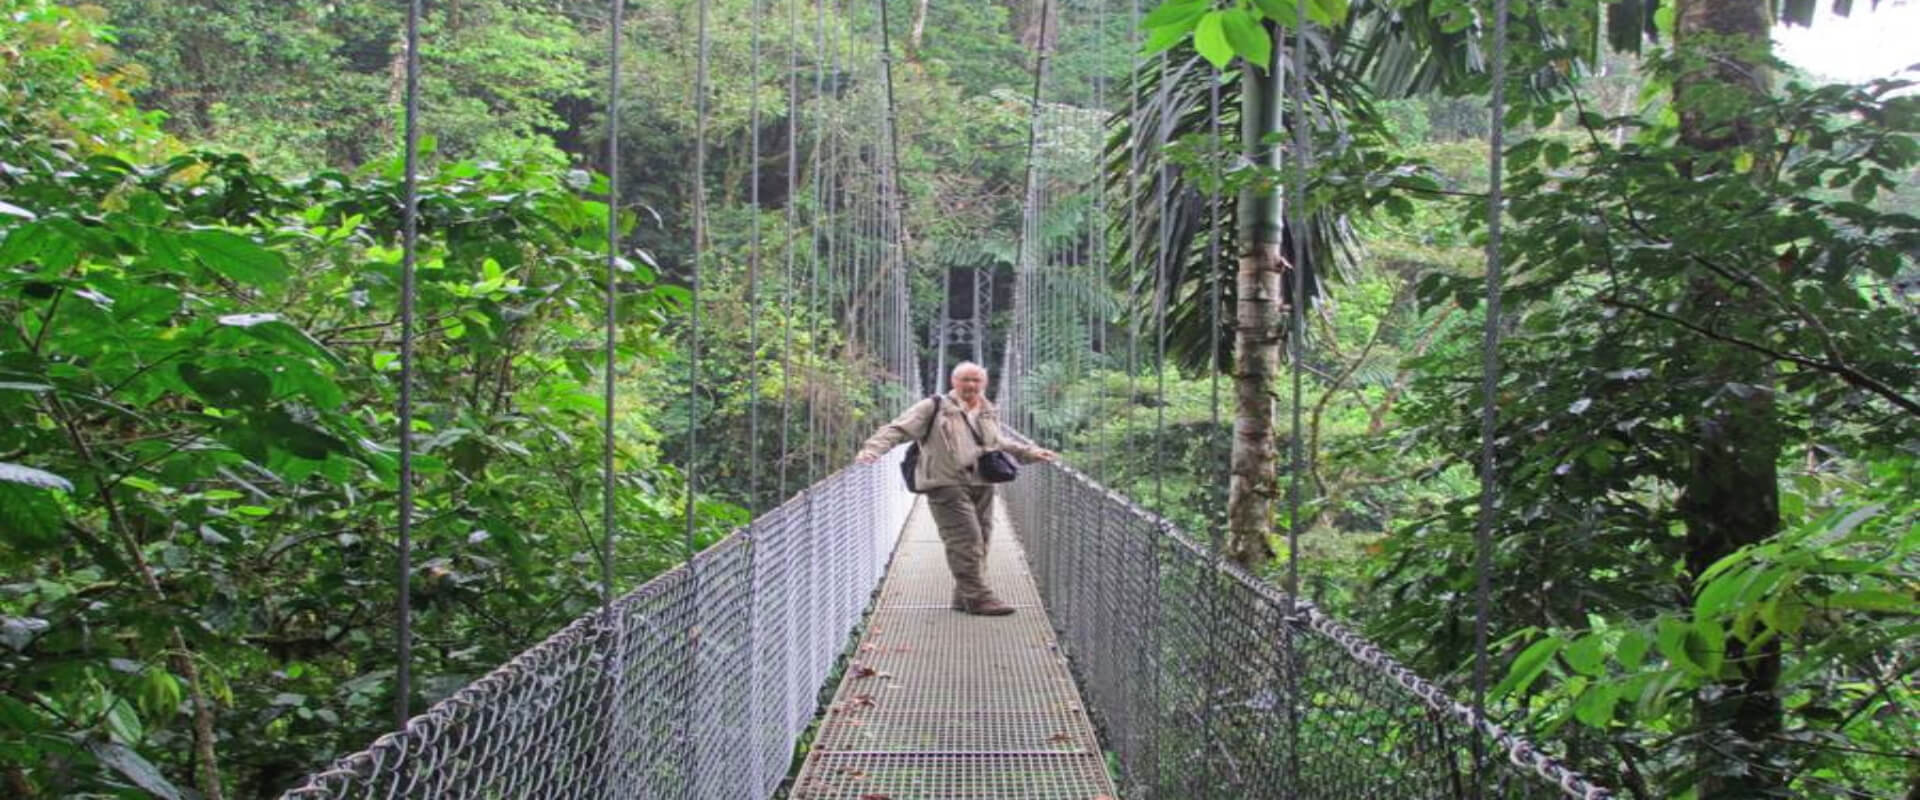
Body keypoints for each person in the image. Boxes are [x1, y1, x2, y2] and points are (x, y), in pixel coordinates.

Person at [855, 362, 1056, 616]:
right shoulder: (934, 407)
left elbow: (996, 441)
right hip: (945, 483)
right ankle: (979, 598)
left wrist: (1029, 452)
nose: (971, 385)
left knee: (982, 539)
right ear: (954, 382)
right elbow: (898, 428)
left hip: (982, 481)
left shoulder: (986, 409)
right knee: (966, 541)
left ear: (984, 383)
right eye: (965, 380)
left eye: (976, 380)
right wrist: (873, 449)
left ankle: (963, 596)